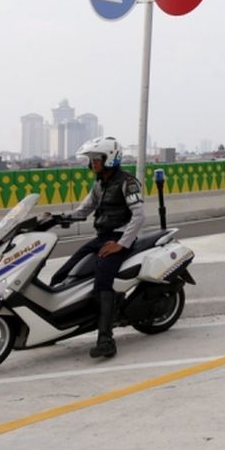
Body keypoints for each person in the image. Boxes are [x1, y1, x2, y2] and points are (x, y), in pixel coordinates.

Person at [52, 137, 145, 359]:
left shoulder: (128, 183)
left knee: (103, 279)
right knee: (65, 271)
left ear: (110, 159)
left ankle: (106, 339)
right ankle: (54, 326)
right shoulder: (99, 184)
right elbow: (84, 210)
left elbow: (139, 216)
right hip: (102, 237)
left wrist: (121, 244)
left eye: (97, 159)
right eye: (91, 159)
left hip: (119, 238)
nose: (93, 163)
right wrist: (56, 218)